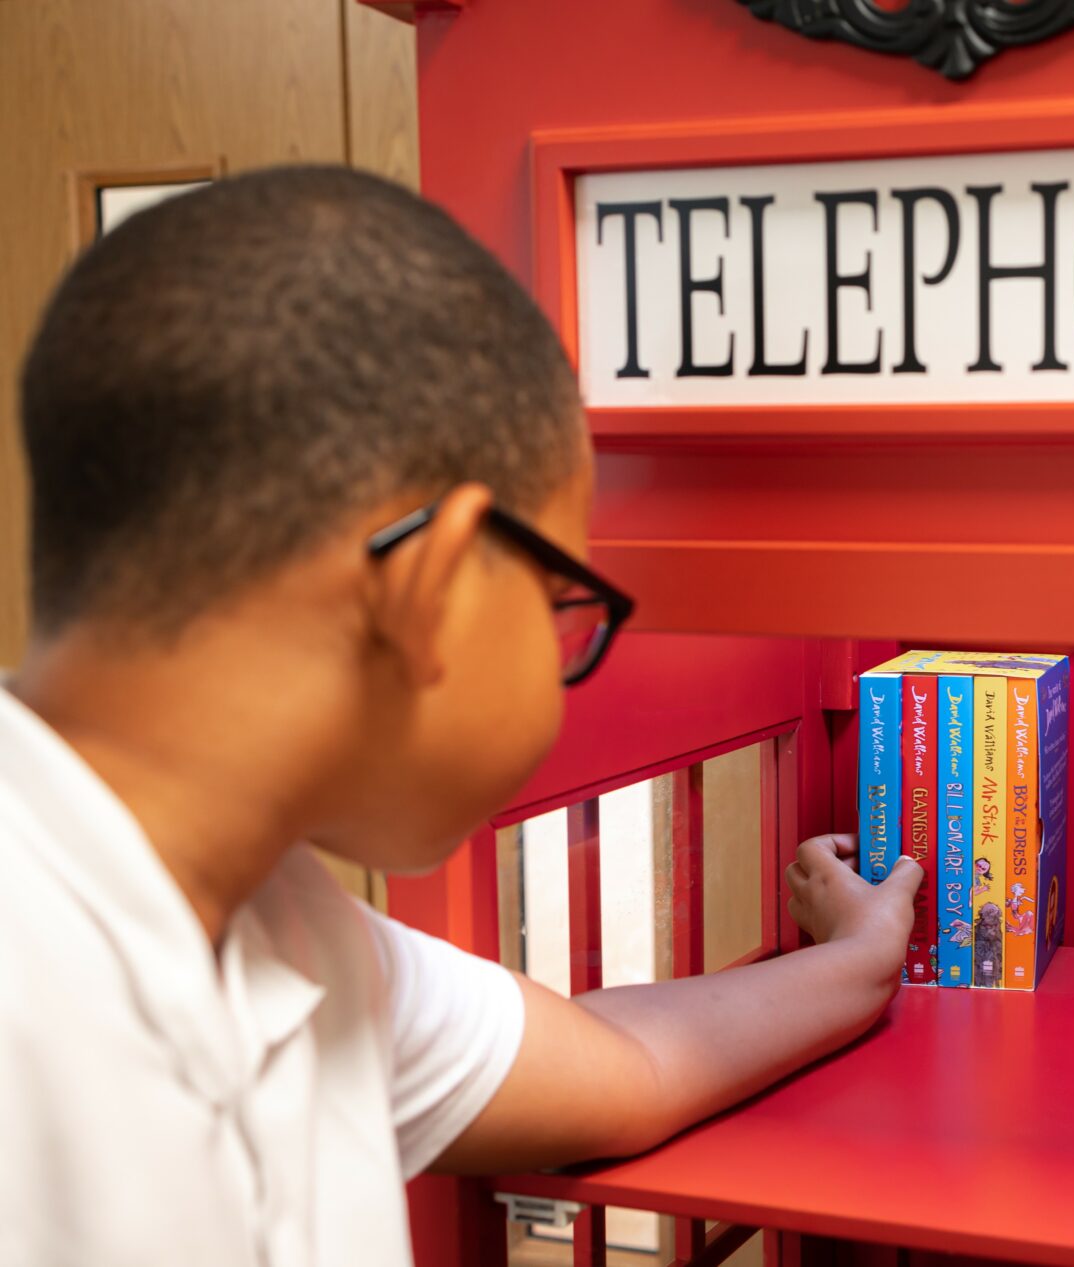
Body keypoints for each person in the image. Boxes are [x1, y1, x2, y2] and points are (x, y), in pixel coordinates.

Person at [0, 166, 923, 1265]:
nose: (557, 665)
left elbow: (627, 1064)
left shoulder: (287, 929)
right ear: (436, 585)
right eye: (558, 606)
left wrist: (862, 956)